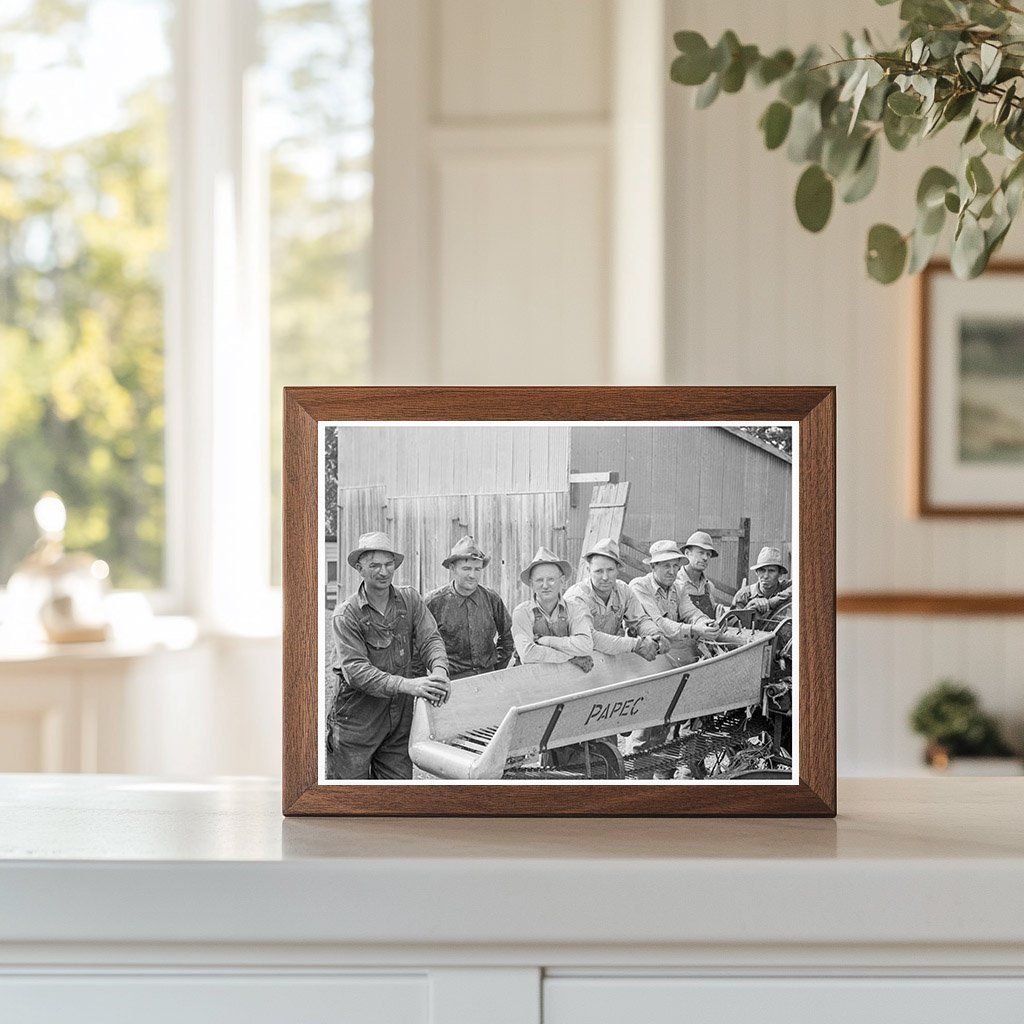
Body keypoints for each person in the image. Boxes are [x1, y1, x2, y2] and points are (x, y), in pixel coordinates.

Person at [327, 531, 450, 780]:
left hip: (398, 722)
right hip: (357, 723)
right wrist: (409, 685)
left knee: (396, 798)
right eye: (374, 565)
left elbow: (430, 639)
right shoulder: (346, 615)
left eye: (388, 564)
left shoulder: (410, 600)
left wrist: (440, 672)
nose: (383, 572)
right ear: (360, 569)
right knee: (352, 803)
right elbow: (357, 672)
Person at [423, 535, 514, 678]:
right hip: (451, 682)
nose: (472, 575)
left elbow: (508, 636)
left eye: (477, 569)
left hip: (488, 677)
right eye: (466, 568)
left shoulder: (492, 599)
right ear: (452, 568)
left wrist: (495, 668)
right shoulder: (433, 602)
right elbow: (420, 645)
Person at [563, 538, 660, 661]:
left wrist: (655, 635)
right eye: (598, 571)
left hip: (607, 660)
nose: (605, 577)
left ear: (618, 569)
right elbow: (590, 637)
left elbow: (640, 620)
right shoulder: (577, 597)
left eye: (610, 570)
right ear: (588, 571)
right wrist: (636, 644)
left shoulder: (623, 590)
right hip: (574, 663)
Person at [628, 539, 720, 666]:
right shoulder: (639, 586)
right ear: (653, 566)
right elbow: (659, 622)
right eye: (666, 565)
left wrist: (704, 622)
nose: (672, 571)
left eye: (675, 566)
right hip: (642, 659)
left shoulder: (679, 587)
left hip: (671, 653)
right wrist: (695, 629)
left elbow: (691, 612)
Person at [511, 546, 594, 670]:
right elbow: (528, 654)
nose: (545, 586)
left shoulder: (574, 609)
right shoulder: (522, 613)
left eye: (551, 579)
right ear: (531, 583)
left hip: (566, 678)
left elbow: (586, 645)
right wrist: (571, 657)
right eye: (539, 580)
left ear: (562, 581)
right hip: (530, 679)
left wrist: (547, 641)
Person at [732, 546, 792, 623]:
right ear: (756, 572)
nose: (766, 576)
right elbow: (729, 624)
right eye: (762, 570)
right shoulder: (744, 595)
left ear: (780, 574)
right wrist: (748, 608)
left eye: (771, 571)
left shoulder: (785, 587)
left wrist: (772, 602)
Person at [679, 530, 721, 620]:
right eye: (701, 553)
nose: (705, 558)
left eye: (708, 554)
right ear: (687, 553)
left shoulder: (709, 587)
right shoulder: (675, 583)